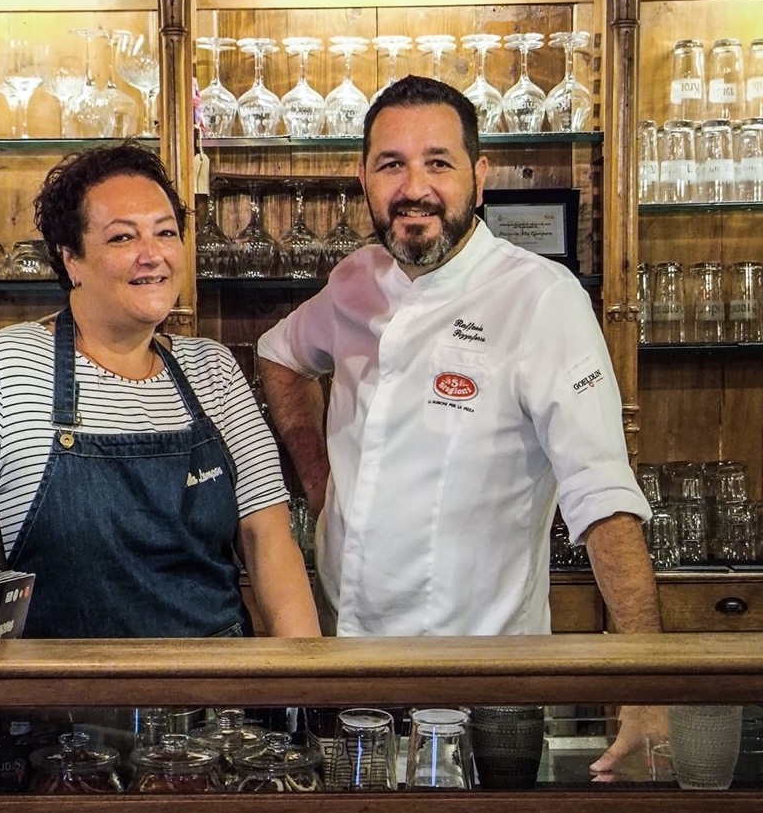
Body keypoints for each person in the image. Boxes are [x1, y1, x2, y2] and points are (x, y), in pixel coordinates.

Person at [256, 75, 662, 769]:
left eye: (438, 163)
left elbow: (601, 496)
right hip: (344, 668)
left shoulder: (540, 297)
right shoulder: (354, 281)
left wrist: (646, 685)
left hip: (486, 686)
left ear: (479, 177)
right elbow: (279, 355)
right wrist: (322, 490)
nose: (413, 188)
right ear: (362, 178)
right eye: (391, 164)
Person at [0, 139, 319, 640]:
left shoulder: (212, 370)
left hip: (213, 683)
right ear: (71, 259)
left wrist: (304, 675)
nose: (152, 256)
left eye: (165, 233)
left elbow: (269, 542)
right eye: (122, 237)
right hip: (54, 685)